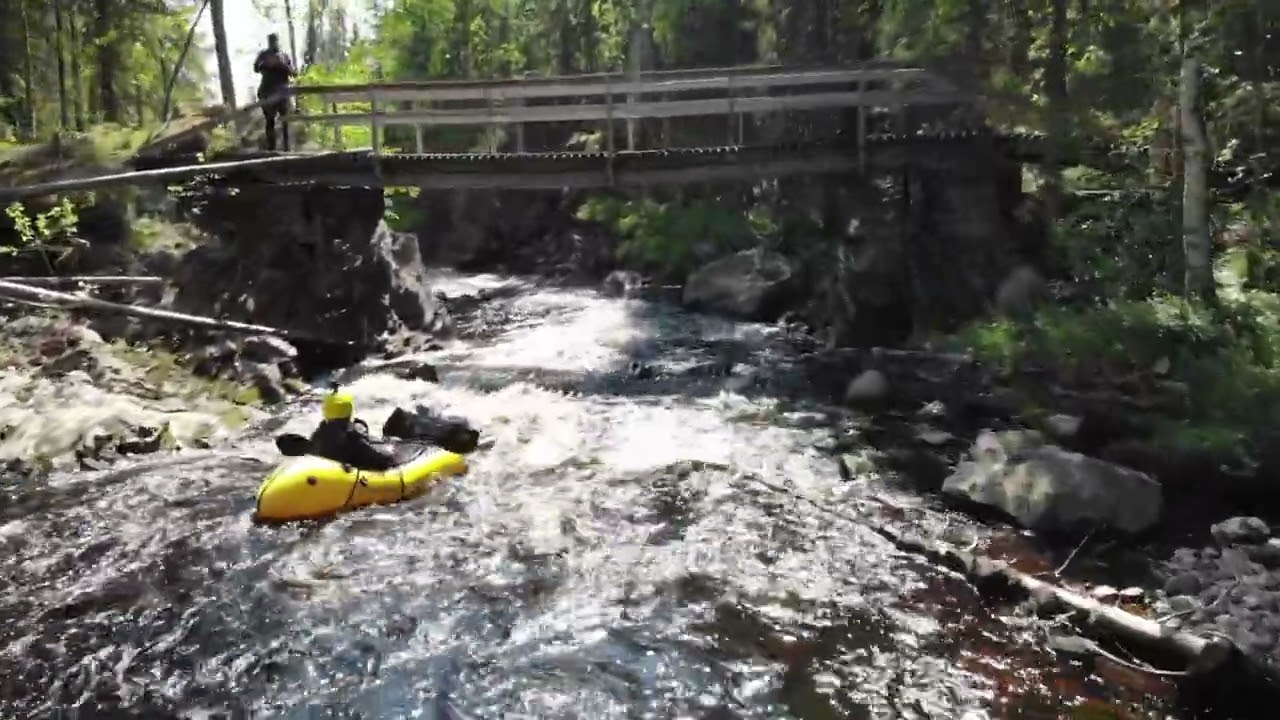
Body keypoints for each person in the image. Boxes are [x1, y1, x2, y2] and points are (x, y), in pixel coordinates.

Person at [309, 387, 397, 471]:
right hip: (346, 478)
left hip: (325, 475)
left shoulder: (319, 433)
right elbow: (383, 460)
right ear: (349, 409)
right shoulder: (352, 437)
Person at [253, 33, 297, 151]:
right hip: (267, 91)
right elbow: (256, 68)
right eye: (271, 41)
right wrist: (266, 63)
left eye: (275, 41)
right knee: (269, 121)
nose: (274, 43)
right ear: (269, 42)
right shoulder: (264, 55)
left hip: (283, 92)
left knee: (285, 120)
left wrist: (280, 64)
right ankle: (271, 148)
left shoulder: (284, 55)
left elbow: (293, 73)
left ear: (278, 41)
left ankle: (287, 148)